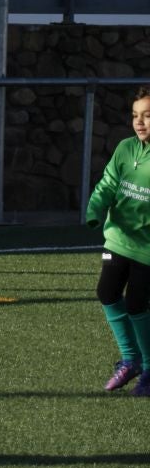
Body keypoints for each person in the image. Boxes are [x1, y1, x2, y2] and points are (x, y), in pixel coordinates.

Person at [86, 85, 150, 394]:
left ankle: (149, 368)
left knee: (138, 303)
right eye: (136, 115)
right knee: (107, 292)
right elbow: (109, 183)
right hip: (117, 239)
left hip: (147, 247)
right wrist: (95, 209)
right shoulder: (125, 148)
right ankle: (130, 360)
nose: (140, 122)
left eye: (148, 116)